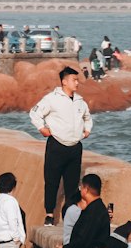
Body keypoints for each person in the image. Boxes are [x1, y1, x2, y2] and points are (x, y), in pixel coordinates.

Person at [29, 67, 93, 226]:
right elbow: (34, 113)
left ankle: (69, 216)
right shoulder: (52, 98)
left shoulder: (80, 101)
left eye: (77, 80)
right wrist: (42, 129)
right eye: (74, 79)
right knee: (52, 181)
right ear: (64, 81)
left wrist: (86, 131)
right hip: (56, 145)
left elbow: (87, 118)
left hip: (75, 147)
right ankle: (49, 214)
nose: (77, 82)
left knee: (72, 184)